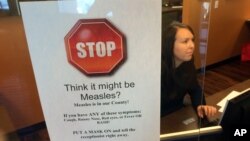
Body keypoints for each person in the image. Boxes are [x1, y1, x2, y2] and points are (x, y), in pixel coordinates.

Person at [161, 21, 217, 119]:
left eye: (192, 40)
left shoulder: (187, 62)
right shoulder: (156, 69)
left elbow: (195, 88)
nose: (192, 46)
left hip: (178, 113)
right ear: (169, 44)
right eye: (185, 41)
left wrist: (200, 105)